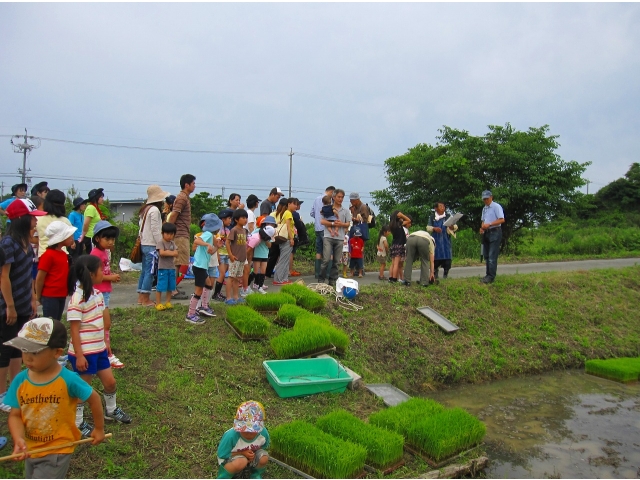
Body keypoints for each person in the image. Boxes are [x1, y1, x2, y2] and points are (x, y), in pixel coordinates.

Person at [3, 318, 105, 478]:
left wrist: (99, 429)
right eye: (24, 350)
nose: (27, 358)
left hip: (58, 450)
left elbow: (94, 399)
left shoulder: (68, 379)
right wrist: (18, 439)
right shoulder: (20, 381)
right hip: (31, 448)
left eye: (35, 352)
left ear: (57, 352)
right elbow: (15, 415)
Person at [67, 255, 131, 438]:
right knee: (83, 389)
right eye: (101, 270)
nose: (103, 273)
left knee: (110, 382)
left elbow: (102, 322)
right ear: (90, 274)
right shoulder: (77, 298)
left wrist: (106, 344)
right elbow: (74, 329)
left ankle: (111, 410)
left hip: (99, 349)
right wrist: (79, 355)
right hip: (84, 353)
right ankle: (77, 422)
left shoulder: (97, 294)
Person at [0, 199, 46, 413]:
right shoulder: (8, 243)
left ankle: (15, 388)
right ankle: (2, 394)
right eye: (33, 217)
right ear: (22, 220)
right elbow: (4, 277)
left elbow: (28, 275)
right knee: (5, 349)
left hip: (22, 304)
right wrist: (10, 306)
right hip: (7, 305)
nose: (36, 221)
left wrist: (32, 298)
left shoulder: (27, 243)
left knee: (19, 346)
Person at [90, 221, 123, 369]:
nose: (110, 242)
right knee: (105, 322)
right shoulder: (96, 254)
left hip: (104, 292)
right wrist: (111, 277)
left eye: (112, 239)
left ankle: (104, 350)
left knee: (104, 323)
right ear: (97, 238)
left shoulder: (103, 252)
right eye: (107, 239)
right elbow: (96, 276)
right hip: (99, 292)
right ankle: (107, 354)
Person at [217, 400, 270, 479]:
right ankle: (224, 476)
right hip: (231, 459)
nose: (248, 433)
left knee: (264, 458)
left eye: (253, 431)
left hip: (250, 458)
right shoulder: (231, 436)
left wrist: (253, 454)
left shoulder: (263, 433)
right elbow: (222, 454)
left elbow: (264, 446)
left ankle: (255, 474)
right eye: (244, 429)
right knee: (241, 462)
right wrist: (242, 453)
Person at [35, 221, 76, 321]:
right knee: (50, 324)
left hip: (61, 295)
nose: (72, 237)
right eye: (69, 235)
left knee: (57, 322)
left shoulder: (63, 254)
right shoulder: (48, 255)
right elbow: (40, 278)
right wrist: (38, 296)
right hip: (50, 296)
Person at [137, 185, 169, 307]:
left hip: (144, 243)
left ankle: (141, 297)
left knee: (144, 271)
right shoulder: (155, 211)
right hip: (151, 245)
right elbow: (155, 230)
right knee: (150, 272)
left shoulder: (145, 209)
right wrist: (161, 244)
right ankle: (146, 299)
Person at [187, 213, 222, 323]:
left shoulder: (211, 237)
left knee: (208, 284)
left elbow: (211, 252)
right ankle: (190, 314)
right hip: (199, 267)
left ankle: (204, 306)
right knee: (198, 291)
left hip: (202, 267)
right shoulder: (207, 234)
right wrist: (207, 245)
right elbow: (196, 241)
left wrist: (217, 246)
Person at [167, 174, 196, 299]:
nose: (195, 186)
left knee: (179, 262)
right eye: (193, 183)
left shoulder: (184, 197)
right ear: (187, 185)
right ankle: (172, 290)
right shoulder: (181, 198)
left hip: (182, 233)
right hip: (179, 234)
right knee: (176, 262)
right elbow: (174, 215)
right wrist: (168, 231)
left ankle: (173, 287)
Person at [318, 189, 352, 286]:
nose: (340, 199)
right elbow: (322, 221)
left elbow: (348, 224)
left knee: (336, 261)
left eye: (342, 197)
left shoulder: (345, 211)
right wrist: (333, 223)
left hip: (340, 237)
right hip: (328, 236)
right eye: (339, 197)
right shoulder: (328, 208)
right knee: (326, 259)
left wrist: (341, 224)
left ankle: (332, 280)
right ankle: (321, 280)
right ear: (334, 197)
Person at [36, 189, 75, 258]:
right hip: (61, 256)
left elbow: (31, 237)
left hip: (43, 256)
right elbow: (70, 242)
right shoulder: (65, 221)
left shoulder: (38, 220)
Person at [426, 202, 459, 279]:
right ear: (436, 208)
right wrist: (434, 228)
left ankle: (445, 275)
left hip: (445, 240)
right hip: (435, 239)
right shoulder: (432, 217)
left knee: (447, 258)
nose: (443, 208)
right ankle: (435, 274)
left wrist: (452, 227)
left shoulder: (448, 216)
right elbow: (428, 227)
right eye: (440, 206)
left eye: (443, 206)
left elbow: (455, 226)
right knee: (435, 258)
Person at [479, 190, 505, 284]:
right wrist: (482, 227)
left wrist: (489, 224)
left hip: (495, 231)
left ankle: (491, 276)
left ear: (491, 197)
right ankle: (487, 274)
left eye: (487, 198)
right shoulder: (484, 208)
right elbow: (483, 220)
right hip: (487, 232)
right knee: (486, 255)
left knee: (492, 256)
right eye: (484, 199)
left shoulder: (496, 206)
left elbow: (501, 220)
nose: (485, 200)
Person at [310, 186, 336, 278]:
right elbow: (331, 215)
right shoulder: (330, 201)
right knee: (330, 252)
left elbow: (312, 213)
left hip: (317, 228)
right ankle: (328, 274)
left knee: (319, 251)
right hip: (326, 228)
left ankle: (317, 274)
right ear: (331, 192)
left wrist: (318, 218)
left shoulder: (316, 199)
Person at [226, 209, 249, 304]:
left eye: (246, 218)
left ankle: (236, 297)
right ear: (236, 219)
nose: (245, 220)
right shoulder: (234, 230)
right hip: (235, 258)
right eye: (243, 218)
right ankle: (228, 298)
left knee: (237, 278)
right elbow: (227, 242)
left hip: (242, 258)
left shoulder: (244, 230)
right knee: (231, 277)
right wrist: (230, 255)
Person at [272, 198, 296, 286]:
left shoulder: (284, 212)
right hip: (286, 239)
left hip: (283, 239)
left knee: (284, 259)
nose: (296, 206)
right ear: (289, 204)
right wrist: (291, 238)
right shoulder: (288, 213)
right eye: (294, 204)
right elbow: (289, 227)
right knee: (283, 260)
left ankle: (283, 279)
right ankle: (278, 279)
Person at [247, 220, 276, 294]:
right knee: (255, 271)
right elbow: (251, 239)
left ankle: (260, 287)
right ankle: (247, 286)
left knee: (263, 271)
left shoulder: (271, 232)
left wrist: (266, 239)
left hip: (265, 254)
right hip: (257, 254)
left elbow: (270, 245)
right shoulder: (257, 231)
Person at [155, 223, 178, 311]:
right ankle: (158, 303)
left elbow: (176, 253)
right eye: (167, 234)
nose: (169, 236)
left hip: (171, 268)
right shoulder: (160, 243)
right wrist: (169, 252)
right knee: (160, 286)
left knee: (170, 286)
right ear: (162, 233)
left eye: (171, 234)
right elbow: (162, 253)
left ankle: (168, 302)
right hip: (162, 268)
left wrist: (167, 252)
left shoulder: (173, 243)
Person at [79, 188, 107, 256]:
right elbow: (86, 223)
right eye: (101, 197)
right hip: (91, 237)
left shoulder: (95, 208)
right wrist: (83, 235)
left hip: (96, 236)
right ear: (96, 198)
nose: (102, 199)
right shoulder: (91, 208)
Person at [213, 209, 233, 302]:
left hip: (226, 255)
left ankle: (218, 292)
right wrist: (217, 255)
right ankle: (215, 294)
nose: (230, 220)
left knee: (224, 274)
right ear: (223, 219)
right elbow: (216, 244)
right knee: (221, 274)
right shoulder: (218, 231)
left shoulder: (227, 230)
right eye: (229, 218)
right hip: (220, 254)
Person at [388, 210, 411, 283]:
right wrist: (402, 215)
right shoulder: (399, 224)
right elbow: (409, 220)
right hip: (399, 245)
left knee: (393, 263)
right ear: (398, 217)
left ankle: (391, 277)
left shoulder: (392, 225)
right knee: (396, 264)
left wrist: (400, 215)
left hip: (394, 245)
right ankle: (394, 279)